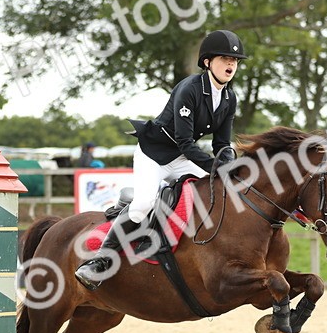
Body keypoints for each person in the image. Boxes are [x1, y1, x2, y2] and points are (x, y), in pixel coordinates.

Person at [74, 29, 246, 289]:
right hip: (154, 156)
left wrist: (230, 166)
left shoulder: (229, 97)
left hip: (181, 158)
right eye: (224, 59)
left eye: (234, 61)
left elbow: (221, 143)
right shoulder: (189, 89)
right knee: (144, 203)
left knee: (221, 192)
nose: (231, 64)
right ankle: (99, 262)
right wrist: (215, 168)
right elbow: (186, 142)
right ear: (208, 62)